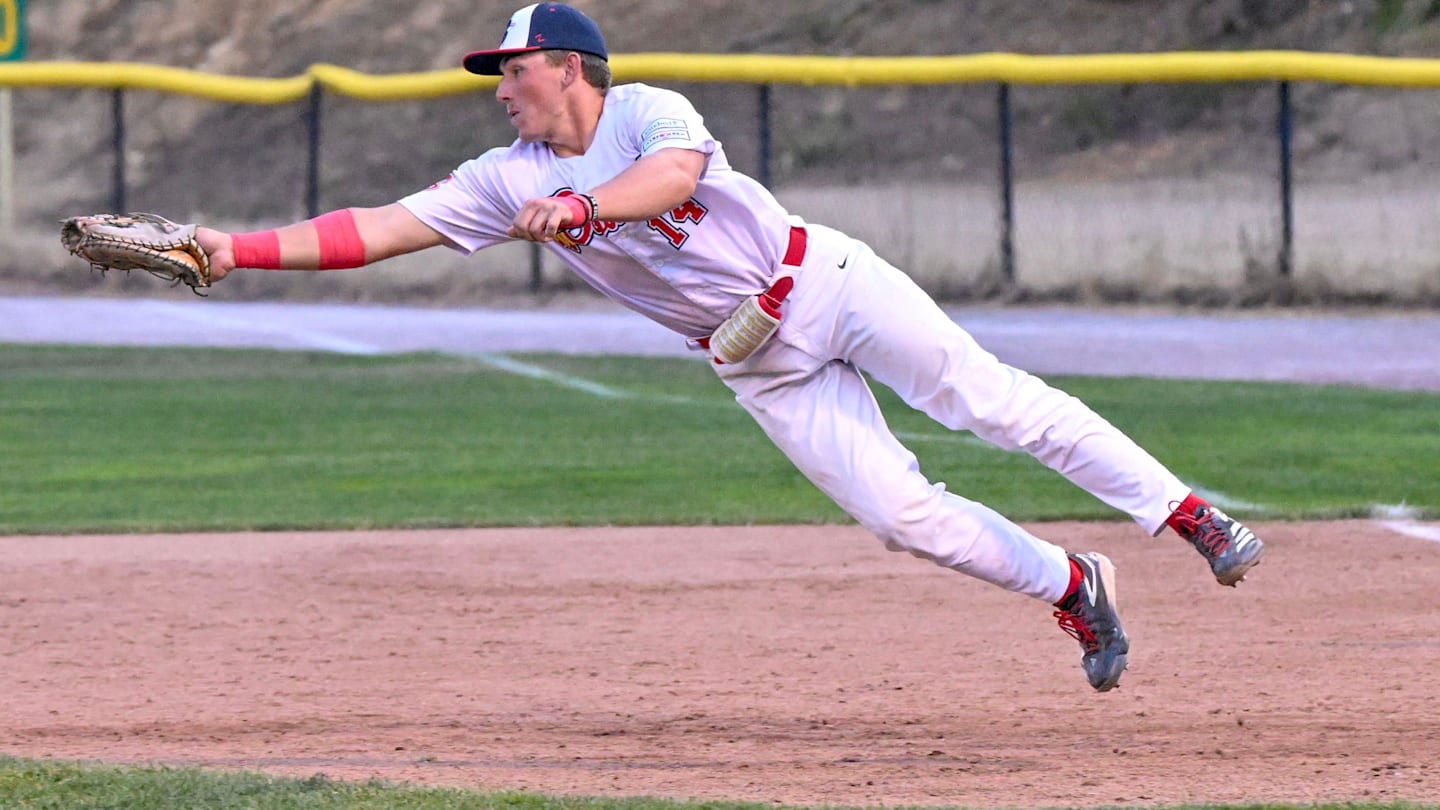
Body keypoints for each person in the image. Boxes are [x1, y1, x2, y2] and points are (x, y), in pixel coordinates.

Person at [194, 2, 1265, 692]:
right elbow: (375, 230)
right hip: (752, 355)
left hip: (826, 284)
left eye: (511, 68)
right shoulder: (498, 176)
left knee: (993, 402)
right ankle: (1075, 586)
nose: (500, 86)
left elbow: (674, 181)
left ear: (566, 68)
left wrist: (581, 209)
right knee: (901, 518)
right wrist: (236, 252)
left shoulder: (645, 112)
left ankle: (1189, 515)